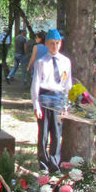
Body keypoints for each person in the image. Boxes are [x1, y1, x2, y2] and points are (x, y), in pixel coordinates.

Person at [30, 28, 71, 173]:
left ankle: (54, 162)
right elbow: (35, 83)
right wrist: (36, 104)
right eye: (52, 43)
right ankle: (43, 163)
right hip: (44, 98)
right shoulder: (41, 62)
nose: (55, 46)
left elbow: (67, 84)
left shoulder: (65, 62)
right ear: (46, 44)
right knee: (43, 134)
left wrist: (67, 104)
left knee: (56, 133)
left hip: (58, 99)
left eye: (57, 43)